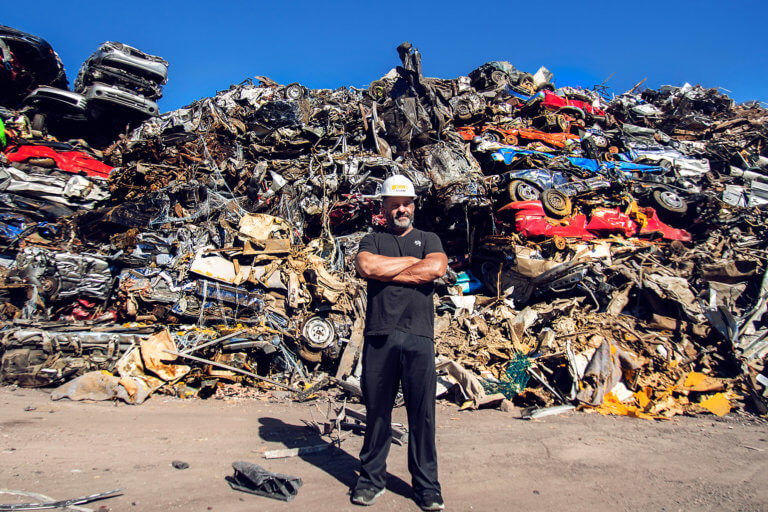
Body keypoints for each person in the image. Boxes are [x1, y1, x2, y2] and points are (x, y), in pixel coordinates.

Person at [351, 175, 447, 511]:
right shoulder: (372, 240)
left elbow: (436, 268)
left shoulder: (429, 237)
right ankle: (370, 479)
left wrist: (388, 271)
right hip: (380, 335)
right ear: (384, 208)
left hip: (419, 335)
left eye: (405, 203)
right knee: (377, 412)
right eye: (394, 205)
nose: (401, 209)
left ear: (414, 205)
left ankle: (427, 487)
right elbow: (367, 266)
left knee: (422, 414)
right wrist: (412, 266)